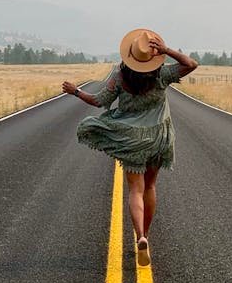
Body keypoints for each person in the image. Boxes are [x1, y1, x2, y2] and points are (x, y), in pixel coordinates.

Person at [62, 28, 198, 266]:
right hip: (158, 137)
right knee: (150, 187)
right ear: (152, 56)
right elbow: (191, 64)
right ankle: (147, 234)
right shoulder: (162, 74)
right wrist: (165, 50)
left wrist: (76, 91)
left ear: (130, 55)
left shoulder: (120, 76)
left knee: (135, 190)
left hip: (131, 139)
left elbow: (99, 101)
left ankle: (140, 237)